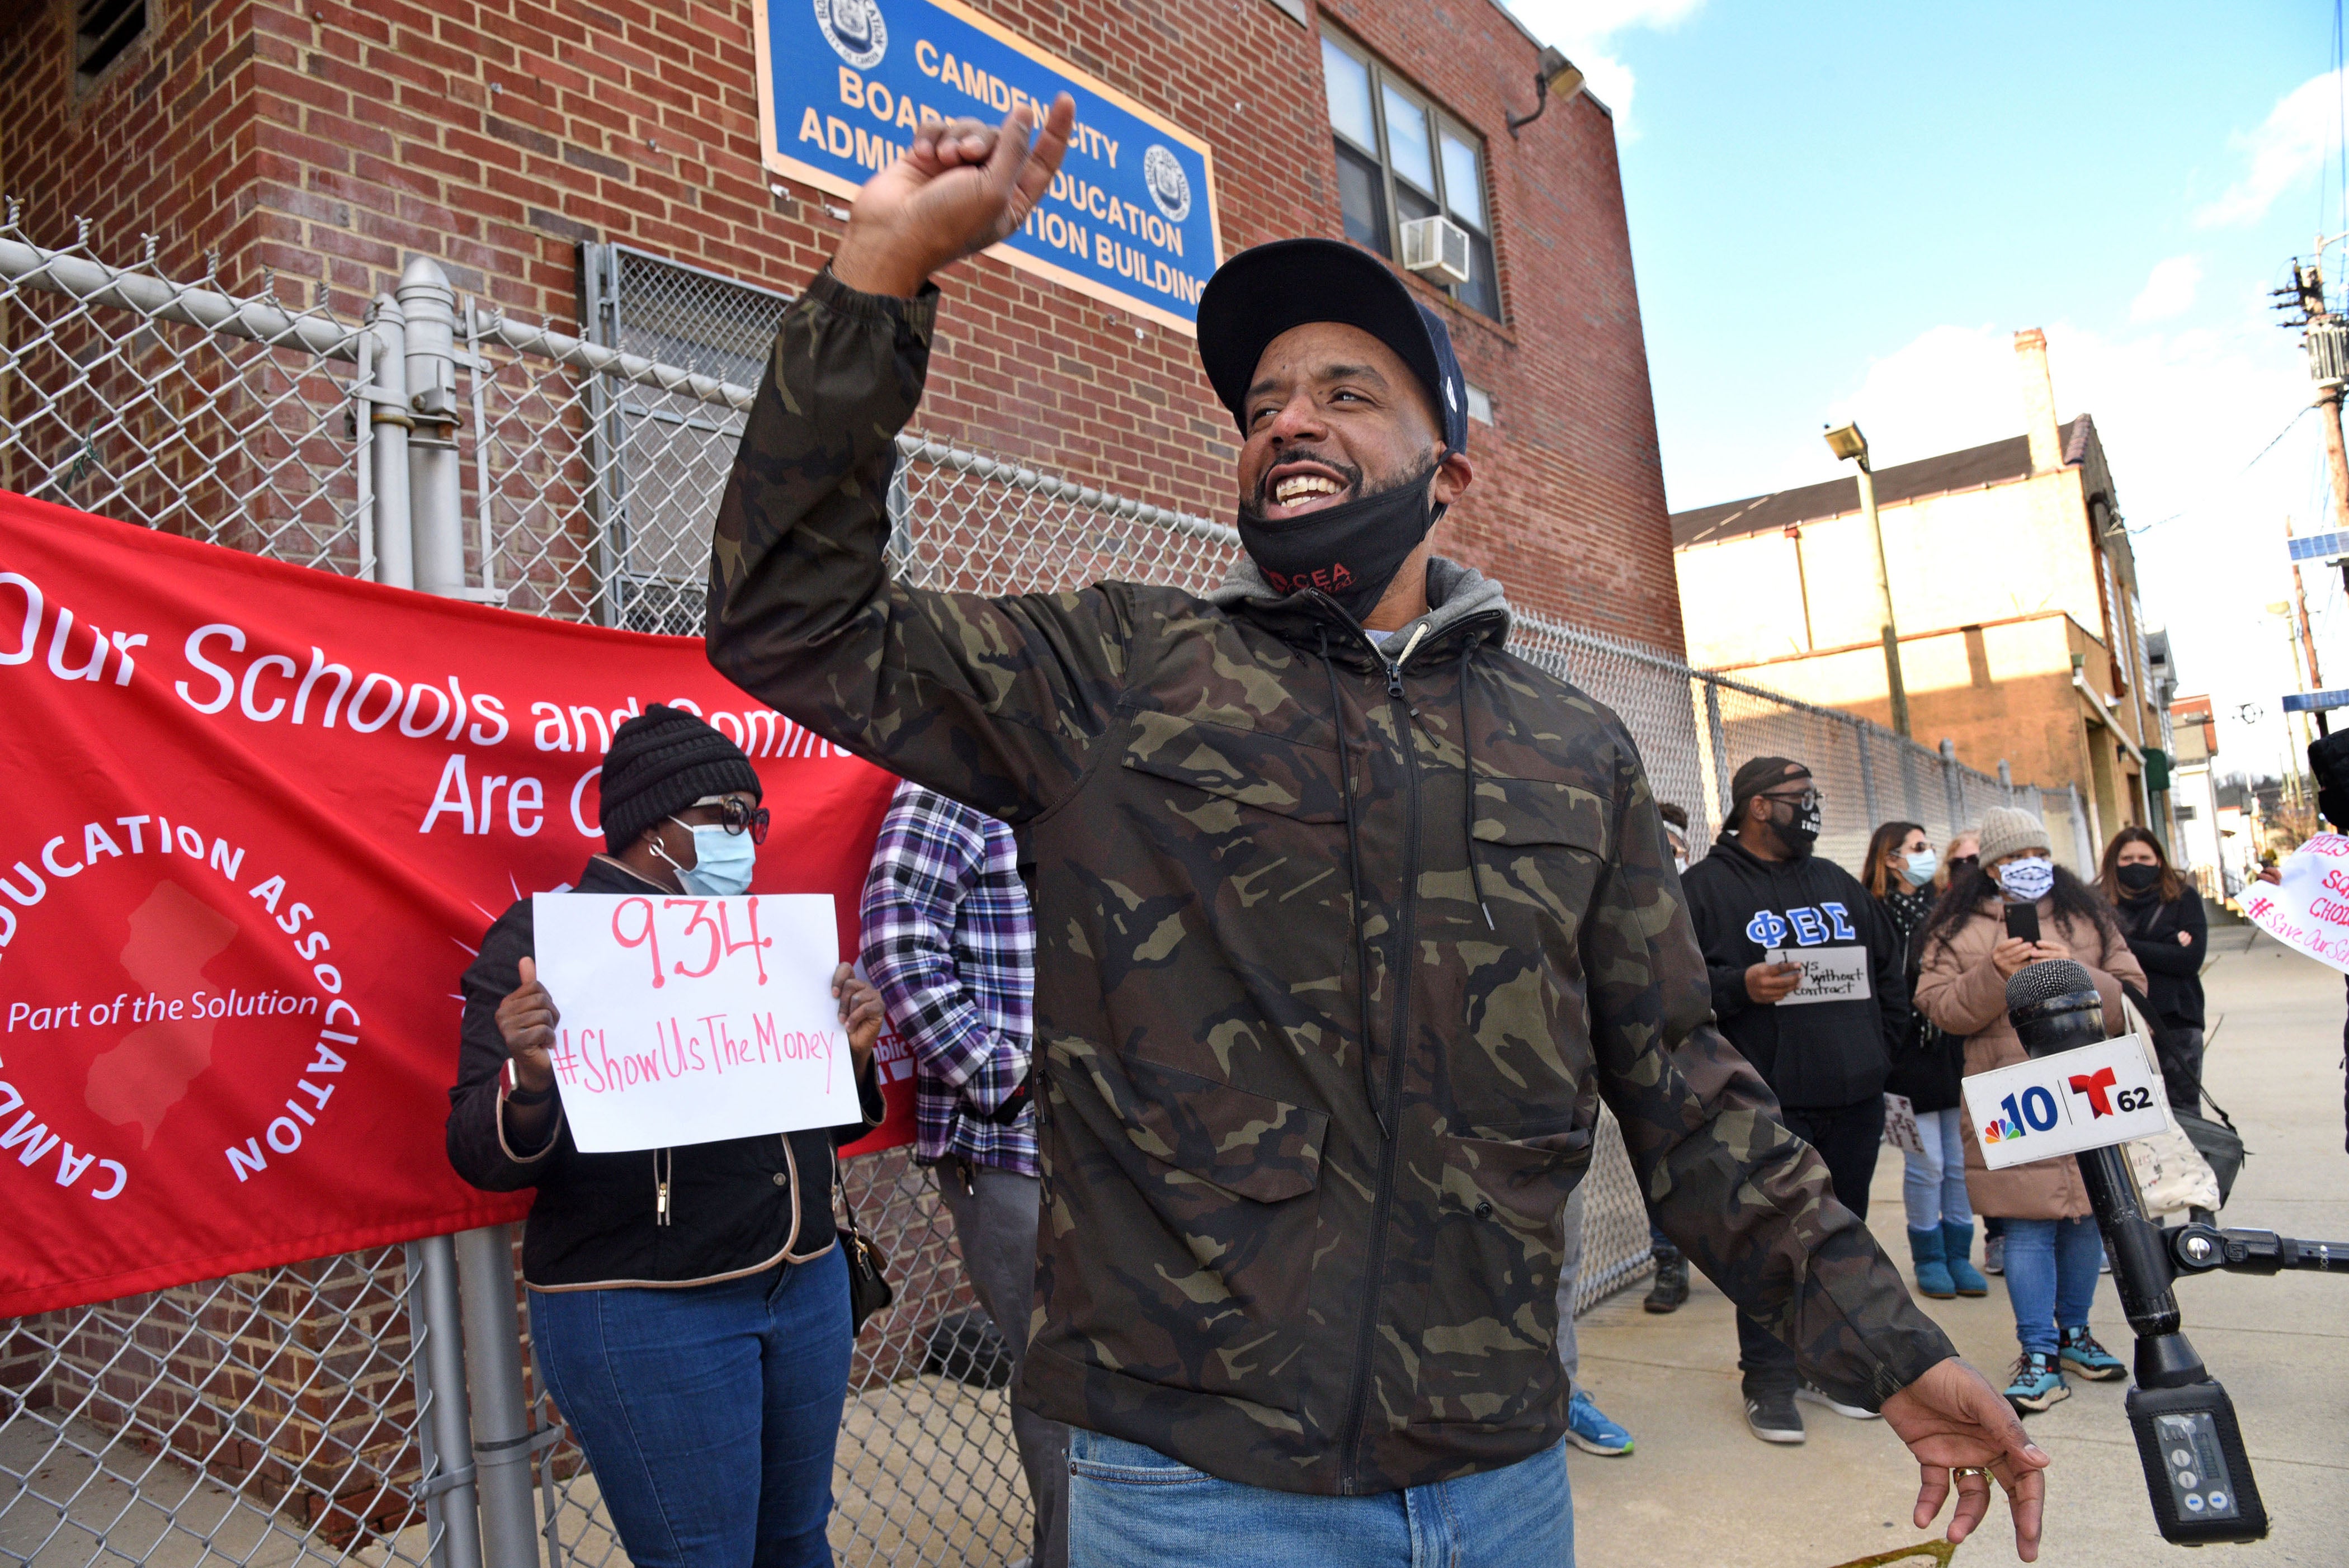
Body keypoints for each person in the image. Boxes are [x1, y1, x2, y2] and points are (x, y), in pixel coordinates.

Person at [702, 98, 2049, 1565]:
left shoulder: (1573, 750)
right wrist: (878, 277)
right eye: (1264, 400)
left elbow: (1686, 1092)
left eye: (1346, 392)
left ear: (1449, 474)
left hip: (1499, 1481)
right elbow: (791, 615)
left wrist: (1891, 1345)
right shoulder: (1117, 675)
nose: (1287, 416)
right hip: (1189, 1487)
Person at [446, 705, 889, 1568]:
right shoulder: (546, 942)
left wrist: (854, 1058)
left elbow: (817, 1126)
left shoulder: (761, 939)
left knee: (798, 1542)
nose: (750, 840)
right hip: (649, 1307)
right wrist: (530, 1076)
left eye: (755, 820)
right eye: (732, 817)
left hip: (802, 1287)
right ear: (660, 827)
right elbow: (478, 1152)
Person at [859, 780, 1068, 1567]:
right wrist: (1000, 1080)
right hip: (1013, 1146)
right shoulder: (954, 781)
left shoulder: (1089, 761)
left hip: (1111, 1142)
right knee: (1062, 1374)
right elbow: (895, 943)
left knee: (1110, 1376)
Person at [1678, 758, 1911, 1444]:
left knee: (1844, 1243)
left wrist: (1877, 1054)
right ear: (1755, 806)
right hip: (1766, 1107)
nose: (1811, 809)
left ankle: (1831, 1368)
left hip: (1854, 1098)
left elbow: (1889, 970)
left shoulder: (1836, 883)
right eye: (1798, 798)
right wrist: (1740, 986)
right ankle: (1770, 1379)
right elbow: (1674, 988)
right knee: (1771, 1244)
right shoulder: (1704, 891)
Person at [1914, 806, 2144, 1416]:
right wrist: (1996, 972)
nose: (2026, 868)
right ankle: (2037, 1353)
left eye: (2035, 855)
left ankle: (2076, 1334)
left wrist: (2075, 966)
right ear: (1989, 867)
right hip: (2013, 1095)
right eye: (2012, 859)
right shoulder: (1957, 928)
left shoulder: (2085, 914)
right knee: (2027, 1225)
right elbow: (1940, 1008)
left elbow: (2131, 992)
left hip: (2089, 1088)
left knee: (2087, 1216)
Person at [1865, 820, 1986, 1302]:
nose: (1927, 855)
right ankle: (1929, 1257)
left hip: (1950, 1044)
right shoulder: (1873, 912)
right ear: (1890, 859)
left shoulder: (1944, 911)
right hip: (1903, 1049)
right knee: (1925, 1161)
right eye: (1917, 848)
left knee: (1958, 1161)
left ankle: (1960, 1253)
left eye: (1928, 846)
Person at [2099, 826, 2207, 1112]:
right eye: (2127, 858)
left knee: (2184, 1115)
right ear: (2114, 862)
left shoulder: (2184, 898)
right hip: (2118, 1023)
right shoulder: (2096, 902)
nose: (2136, 864)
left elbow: (2189, 961)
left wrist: (2123, 946)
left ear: (2159, 861)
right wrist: (2166, 943)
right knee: (2132, 1117)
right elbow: (2092, 959)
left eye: (2145, 858)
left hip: (2177, 1022)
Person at [1643, 800, 1695, 1315]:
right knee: (1660, 1163)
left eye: (1673, 847)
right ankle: (1668, 1262)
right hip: (1651, 1056)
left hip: (1706, 1052)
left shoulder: (1704, 900)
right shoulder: (1627, 903)